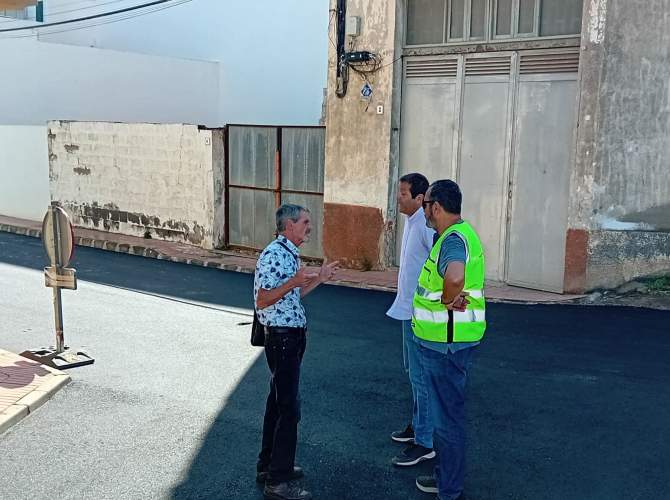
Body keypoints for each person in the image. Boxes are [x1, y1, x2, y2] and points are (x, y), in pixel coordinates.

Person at [254, 204, 339, 500]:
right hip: (282, 339)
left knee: (277, 404)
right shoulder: (274, 254)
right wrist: (293, 281)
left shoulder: (289, 253)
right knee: (289, 408)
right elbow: (263, 299)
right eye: (305, 222)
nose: (309, 227)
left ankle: (269, 466)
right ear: (289, 225)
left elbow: (292, 294)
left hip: (289, 337)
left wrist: (319, 278)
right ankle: (278, 481)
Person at [412, 180, 486, 500]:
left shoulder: (453, 240)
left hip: (445, 345)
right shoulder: (458, 235)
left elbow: (455, 275)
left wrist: (446, 299)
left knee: (446, 421)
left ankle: (449, 488)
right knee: (447, 416)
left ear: (437, 207)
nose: (423, 210)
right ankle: (446, 478)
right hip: (450, 342)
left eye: (425, 204)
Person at [386, 173, 437, 468]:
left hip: (420, 314)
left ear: (419, 198)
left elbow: (441, 267)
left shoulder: (426, 227)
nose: (398, 198)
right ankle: (419, 425)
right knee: (412, 372)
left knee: (420, 377)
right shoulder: (412, 222)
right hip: (408, 310)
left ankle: (425, 442)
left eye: (403, 194)